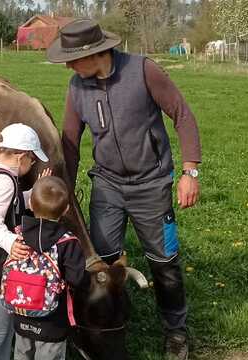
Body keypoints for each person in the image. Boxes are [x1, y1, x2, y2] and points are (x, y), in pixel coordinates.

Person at [47, 19, 202, 360]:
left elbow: (183, 115)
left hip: (152, 185)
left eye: (72, 59)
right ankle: (107, 325)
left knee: (164, 261)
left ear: (95, 53)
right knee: (100, 265)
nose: (69, 67)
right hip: (107, 186)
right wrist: (63, 196)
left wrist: (190, 170)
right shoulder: (78, 87)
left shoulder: (144, 71)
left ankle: (176, 330)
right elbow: (70, 144)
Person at [0, 123, 49, 360]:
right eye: (33, 161)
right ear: (21, 156)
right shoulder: (4, 180)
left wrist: (34, 192)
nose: (32, 166)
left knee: (4, 332)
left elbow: (12, 204)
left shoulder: (0, 175)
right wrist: (10, 242)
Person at [12, 176, 88, 360]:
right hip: (53, 321)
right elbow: (76, 280)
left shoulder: (17, 236)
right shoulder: (68, 242)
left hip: (21, 316)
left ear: (30, 203)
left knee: (22, 355)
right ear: (67, 209)